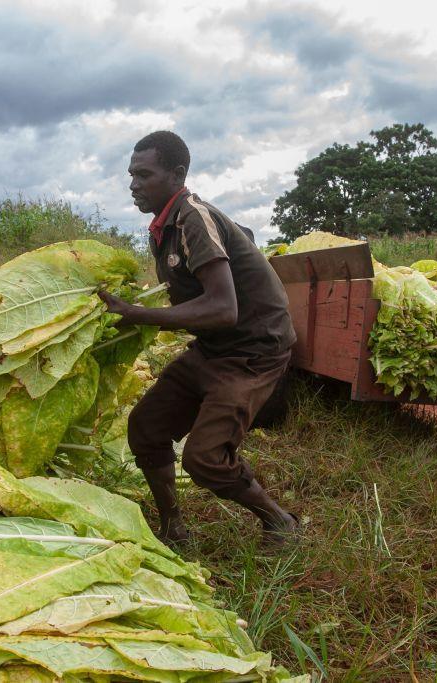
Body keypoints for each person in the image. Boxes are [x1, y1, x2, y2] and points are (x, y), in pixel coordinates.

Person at [98, 131, 299, 546]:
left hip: (253, 351)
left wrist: (139, 315)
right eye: (131, 175)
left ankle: (280, 522)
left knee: (204, 459)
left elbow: (224, 309)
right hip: (214, 347)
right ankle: (173, 528)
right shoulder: (164, 227)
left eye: (144, 174)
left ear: (177, 174)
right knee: (146, 428)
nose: (133, 184)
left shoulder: (192, 217)